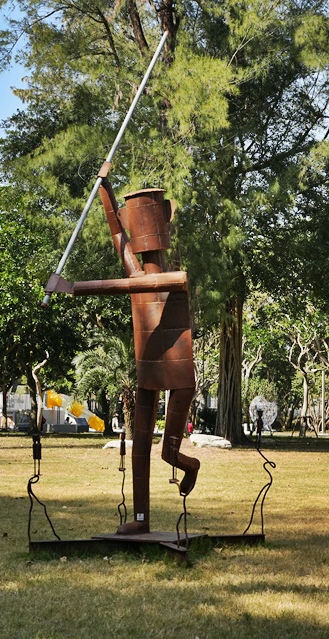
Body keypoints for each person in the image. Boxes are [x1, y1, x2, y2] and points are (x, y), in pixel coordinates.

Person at [48, 184, 199, 536]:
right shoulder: (134, 271)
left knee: (168, 454)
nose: (141, 233)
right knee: (140, 448)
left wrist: (73, 288)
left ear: (165, 221)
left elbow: (140, 285)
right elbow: (116, 233)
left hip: (178, 375)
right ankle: (142, 520)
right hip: (148, 369)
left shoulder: (174, 274)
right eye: (135, 218)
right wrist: (104, 188)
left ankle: (188, 465)